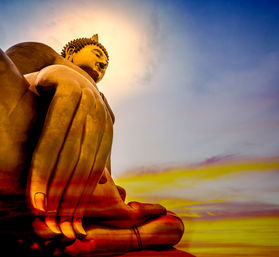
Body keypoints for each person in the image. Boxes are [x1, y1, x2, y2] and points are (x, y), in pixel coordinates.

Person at [0, 35, 184, 255]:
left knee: (173, 225)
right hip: (24, 162)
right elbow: (11, 80)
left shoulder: (104, 106)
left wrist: (109, 195)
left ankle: (90, 238)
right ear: (70, 53)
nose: (103, 64)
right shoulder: (44, 54)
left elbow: (100, 165)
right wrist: (52, 73)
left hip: (78, 196)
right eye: (97, 54)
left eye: (106, 64)